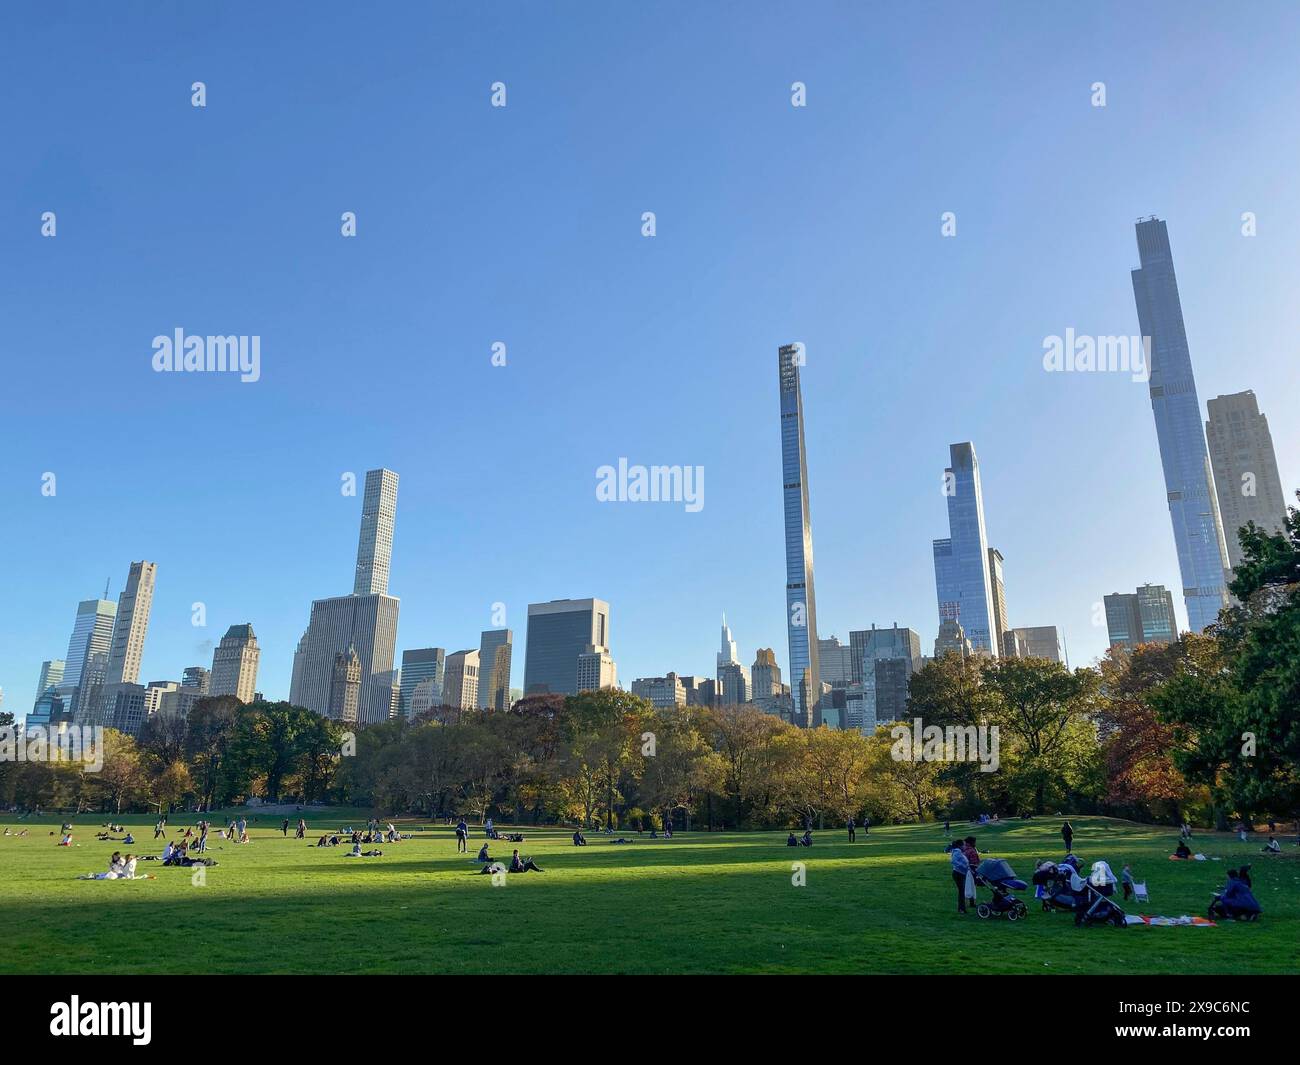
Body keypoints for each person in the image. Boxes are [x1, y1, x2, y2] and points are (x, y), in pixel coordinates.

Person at [950, 841, 971, 914]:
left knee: (962, 891)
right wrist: (964, 866)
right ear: (960, 846)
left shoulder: (960, 852)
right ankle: (961, 909)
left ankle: (962, 908)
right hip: (958, 874)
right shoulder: (957, 852)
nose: (965, 846)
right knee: (961, 892)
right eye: (964, 845)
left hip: (961, 873)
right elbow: (953, 861)